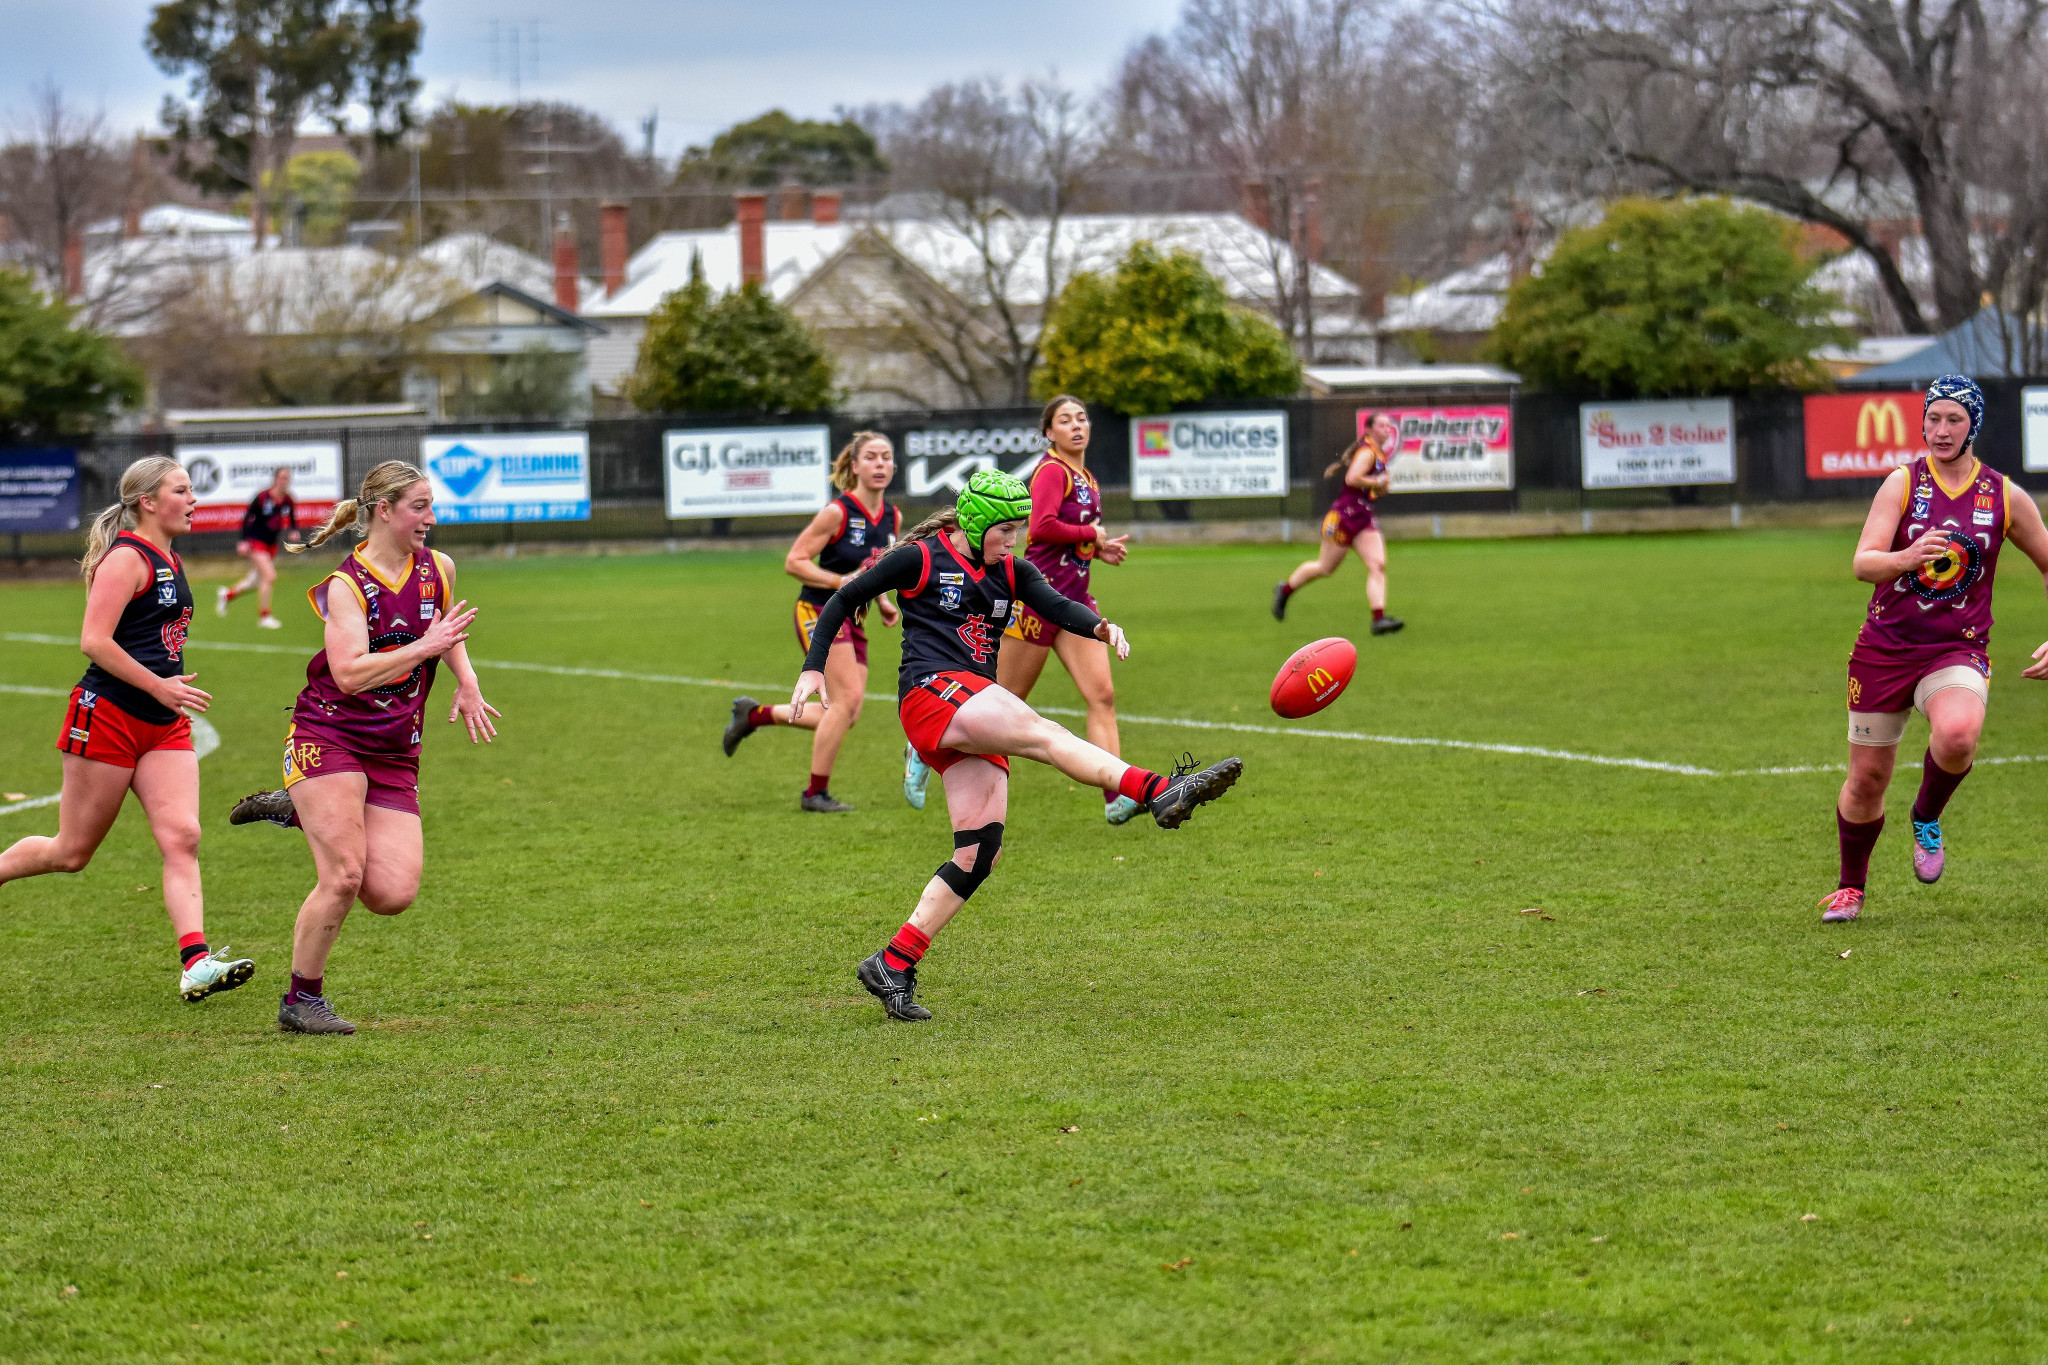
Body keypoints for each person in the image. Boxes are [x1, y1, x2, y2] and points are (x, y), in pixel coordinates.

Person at [789, 468, 1243, 1023]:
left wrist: (1100, 628)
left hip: (970, 702)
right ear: (977, 524)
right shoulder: (922, 558)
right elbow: (844, 598)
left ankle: (893, 962)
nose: (1017, 539)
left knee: (979, 852)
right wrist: (813, 669)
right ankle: (1160, 788)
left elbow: (1056, 606)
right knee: (1046, 735)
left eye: (1020, 528)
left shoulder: (1011, 569)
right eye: (1007, 529)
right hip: (933, 693)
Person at [226, 461, 499, 1034]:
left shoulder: (439, 569)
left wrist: (467, 681)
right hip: (330, 734)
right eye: (419, 507)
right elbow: (349, 674)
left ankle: (299, 809)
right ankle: (301, 1000)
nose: (431, 518)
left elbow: (444, 632)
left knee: (392, 893)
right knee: (345, 876)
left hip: (396, 746)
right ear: (384, 511)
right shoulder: (347, 586)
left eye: (431, 506)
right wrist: (426, 646)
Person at [0, 456, 254, 1002]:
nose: (193, 500)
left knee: (183, 836)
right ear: (148, 502)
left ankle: (196, 962)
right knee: (71, 853)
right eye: (182, 491)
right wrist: (159, 684)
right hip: (109, 716)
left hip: (163, 725)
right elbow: (94, 641)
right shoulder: (126, 558)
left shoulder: (170, 554)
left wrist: (166, 688)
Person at [1820, 374, 2048, 923]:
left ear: (1974, 426)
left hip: (1957, 647)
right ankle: (1851, 887)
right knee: (1868, 779)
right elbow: (1863, 561)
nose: (1941, 430)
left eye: (1954, 420)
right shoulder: (1902, 484)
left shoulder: (2003, 495)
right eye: (1933, 418)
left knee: (1958, 733)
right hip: (1886, 646)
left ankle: (1926, 815)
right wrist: (1906, 556)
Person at [722, 432, 902, 812]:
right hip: (819, 611)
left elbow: (876, 566)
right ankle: (814, 794)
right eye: (871, 457)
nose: (880, 464)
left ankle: (753, 715)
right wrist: (839, 582)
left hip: (854, 616)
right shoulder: (838, 512)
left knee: (845, 712)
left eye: (886, 457)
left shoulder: (892, 516)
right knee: (848, 700)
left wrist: (883, 600)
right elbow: (794, 561)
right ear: (854, 466)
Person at [989, 395, 1139, 823]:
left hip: (1075, 603)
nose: (1077, 426)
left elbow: (1066, 540)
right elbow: (1041, 528)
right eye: (1065, 420)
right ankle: (925, 751)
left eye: (1082, 418)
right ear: (1049, 432)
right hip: (1038, 603)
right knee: (1004, 702)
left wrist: (1096, 547)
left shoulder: (1086, 475)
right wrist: (1089, 531)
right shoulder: (1052, 470)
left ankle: (1117, 797)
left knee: (1102, 695)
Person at [1272, 412, 1404, 635]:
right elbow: (1352, 478)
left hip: (1363, 516)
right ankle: (1285, 591)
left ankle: (1378, 619)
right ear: (1369, 429)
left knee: (1377, 565)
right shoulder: (1367, 452)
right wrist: (1377, 481)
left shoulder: (1379, 454)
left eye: (1388, 426)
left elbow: (1378, 489)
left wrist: (1382, 486)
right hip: (1345, 516)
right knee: (1325, 568)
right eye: (1381, 425)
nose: (1386, 429)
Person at [216, 466, 298, 628]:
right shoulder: (263, 497)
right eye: (281, 478)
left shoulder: (288, 499)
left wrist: (293, 530)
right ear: (275, 479)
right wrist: (243, 540)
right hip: (256, 542)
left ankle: (227, 594)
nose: (284, 481)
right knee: (269, 576)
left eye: (286, 478)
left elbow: (292, 516)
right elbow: (247, 517)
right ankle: (264, 616)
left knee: (255, 581)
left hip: (271, 545)